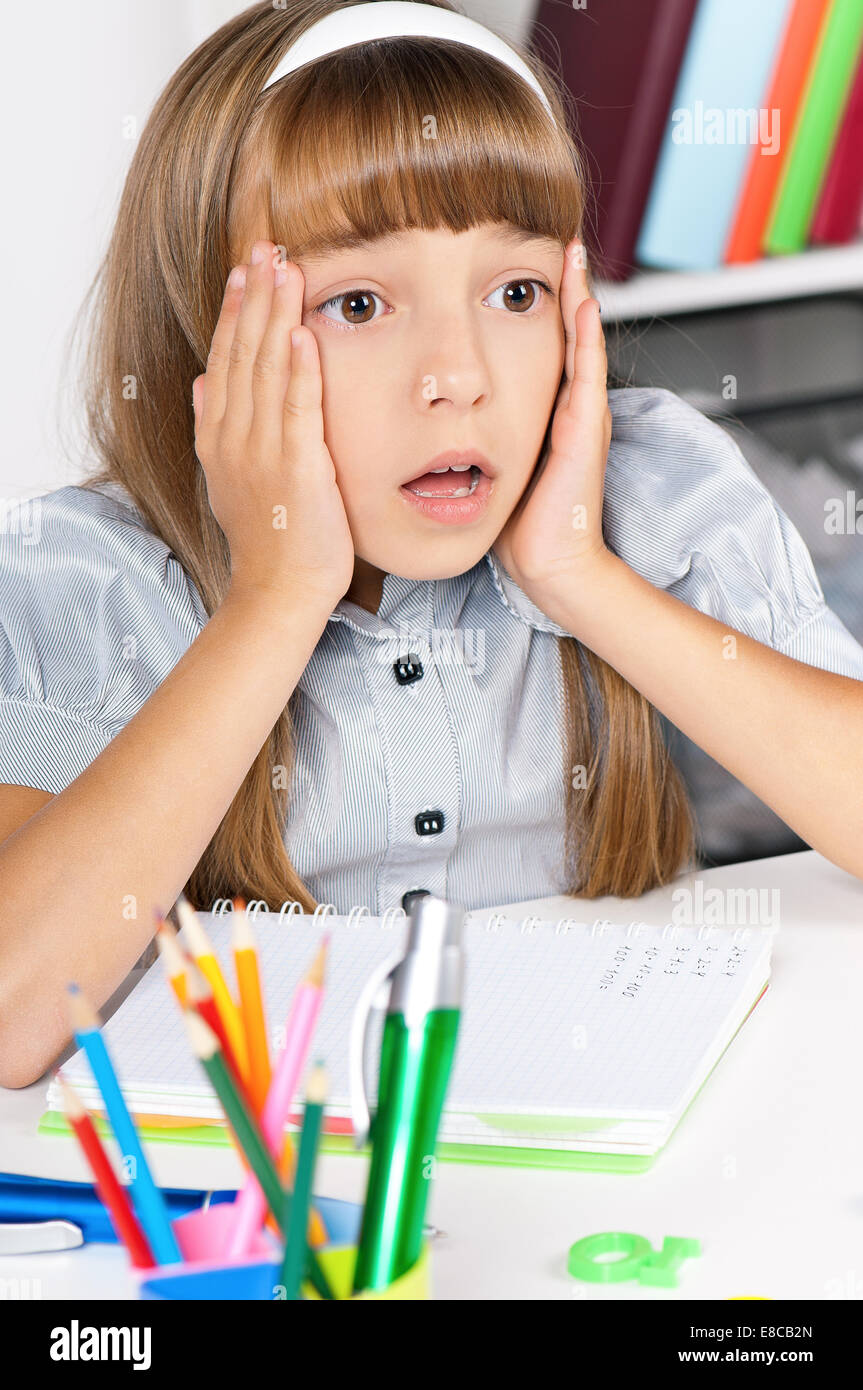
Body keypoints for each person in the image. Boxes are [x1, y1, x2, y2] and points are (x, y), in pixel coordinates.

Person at [1, 1, 862, 1088]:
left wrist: (578, 576)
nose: (458, 374)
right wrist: (277, 597)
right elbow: (14, 1012)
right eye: (358, 302)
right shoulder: (79, 579)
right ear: (202, 335)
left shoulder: (656, 491)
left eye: (515, 292)